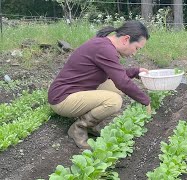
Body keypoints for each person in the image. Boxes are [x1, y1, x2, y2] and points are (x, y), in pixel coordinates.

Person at [48, 20, 152, 149]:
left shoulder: (104, 45)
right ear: (126, 39)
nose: (135, 52)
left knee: (113, 87)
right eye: (136, 48)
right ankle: (79, 128)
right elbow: (122, 82)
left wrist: (135, 71)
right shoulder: (104, 49)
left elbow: (114, 74)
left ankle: (91, 124)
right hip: (62, 99)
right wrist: (145, 101)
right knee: (114, 101)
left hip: (74, 92)